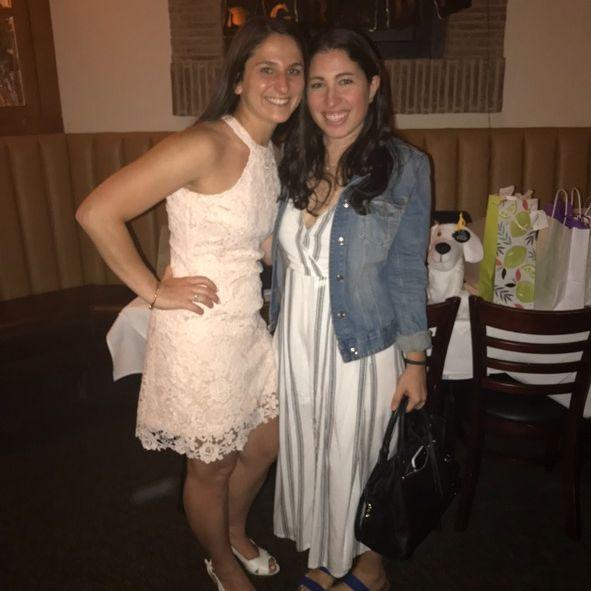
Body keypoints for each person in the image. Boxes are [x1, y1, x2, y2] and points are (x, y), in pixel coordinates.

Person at [76, 17, 305, 591]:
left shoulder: (267, 150)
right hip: (200, 334)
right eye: (267, 69)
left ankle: (233, 530)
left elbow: (255, 240)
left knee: (267, 440)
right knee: (213, 465)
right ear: (239, 80)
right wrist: (154, 292)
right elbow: (97, 211)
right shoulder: (206, 143)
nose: (282, 83)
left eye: (294, 70)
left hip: (246, 326)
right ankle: (220, 561)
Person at [269, 28, 432, 591]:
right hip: (295, 340)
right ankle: (325, 558)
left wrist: (416, 361)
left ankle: (370, 566)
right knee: (313, 450)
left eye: (346, 82)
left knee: (357, 457)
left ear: (373, 85)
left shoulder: (405, 166)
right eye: (317, 84)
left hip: (359, 343)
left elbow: (408, 268)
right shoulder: (292, 157)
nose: (331, 99)